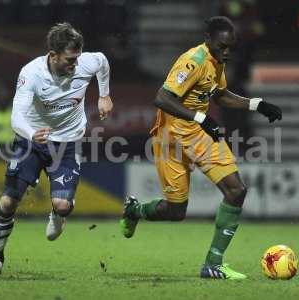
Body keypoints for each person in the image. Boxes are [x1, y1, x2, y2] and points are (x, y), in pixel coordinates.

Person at [120, 16, 281, 280]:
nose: (226, 53)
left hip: (201, 137)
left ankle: (213, 264)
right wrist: (201, 118)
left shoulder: (216, 61)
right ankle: (135, 211)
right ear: (208, 40)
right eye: (222, 47)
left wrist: (257, 104)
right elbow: (162, 98)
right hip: (171, 138)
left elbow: (220, 95)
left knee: (236, 190)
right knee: (176, 212)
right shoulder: (192, 61)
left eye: (231, 47)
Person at [0, 22, 113, 277]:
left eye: (77, 58)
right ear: (52, 55)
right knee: (8, 201)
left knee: (63, 205)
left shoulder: (87, 62)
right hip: (31, 139)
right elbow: (16, 116)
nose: (75, 65)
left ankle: (58, 214)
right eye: (69, 60)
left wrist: (104, 95)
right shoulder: (31, 73)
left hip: (68, 142)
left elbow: (103, 61)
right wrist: (32, 134)